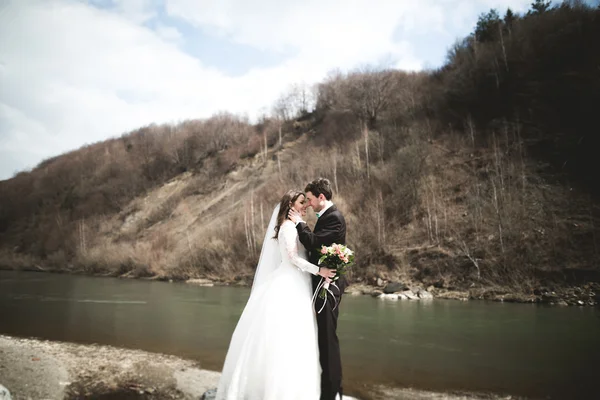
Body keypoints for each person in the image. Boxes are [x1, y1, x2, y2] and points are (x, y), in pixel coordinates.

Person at [216, 190, 336, 400]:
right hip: (290, 284)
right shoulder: (288, 228)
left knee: (299, 337)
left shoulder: (295, 226)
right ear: (290, 206)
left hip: (300, 283)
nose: (306, 205)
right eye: (301, 202)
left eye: (306, 202)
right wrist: (320, 271)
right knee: (285, 337)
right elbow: (292, 259)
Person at [289, 178, 347, 400]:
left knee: (327, 339)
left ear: (321, 197)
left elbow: (312, 242)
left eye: (311, 199)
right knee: (325, 338)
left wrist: (298, 223)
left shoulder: (334, 219)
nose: (309, 204)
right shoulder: (327, 217)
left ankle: (331, 393)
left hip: (328, 286)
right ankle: (332, 389)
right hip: (322, 284)